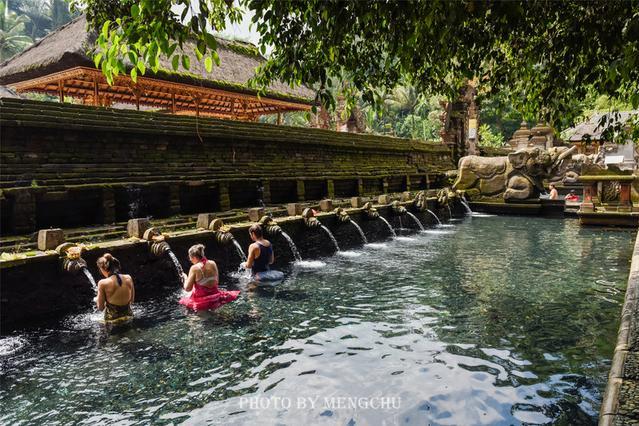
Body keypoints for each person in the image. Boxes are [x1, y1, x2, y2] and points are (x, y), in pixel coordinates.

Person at [179, 244, 240, 311]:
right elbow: (216, 281)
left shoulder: (194, 268)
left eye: (190, 257)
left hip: (202, 302)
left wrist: (185, 278)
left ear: (194, 257)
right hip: (216, 297)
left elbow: (187, 289)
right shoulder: (213, 263)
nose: (190, 260)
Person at [96, 253, 134, 325]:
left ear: (104, 268)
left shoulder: (103, 283)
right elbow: (132, 300)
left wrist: (97, 299)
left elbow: (100, 308)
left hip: (112, 321)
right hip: (129, 317)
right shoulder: (128, 277)